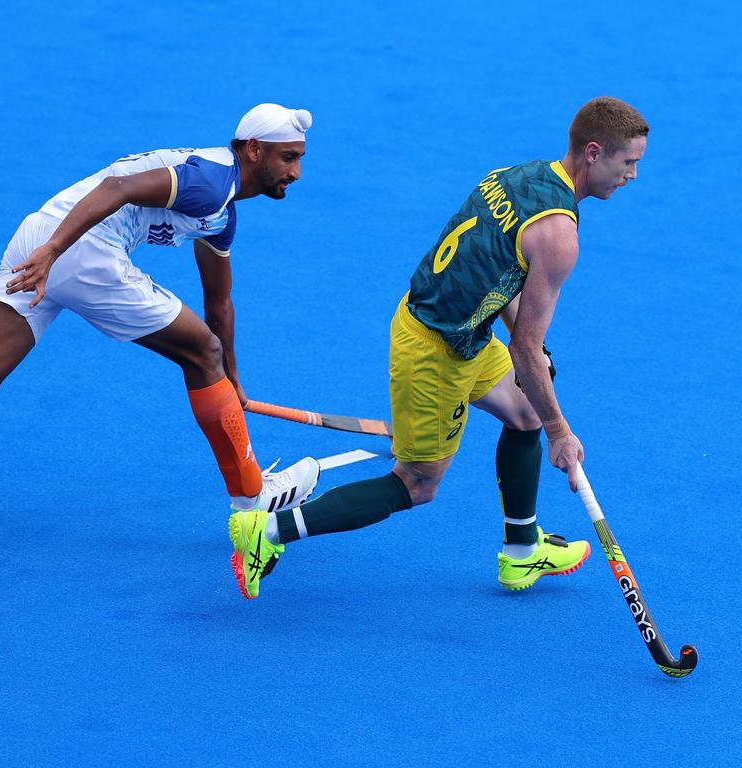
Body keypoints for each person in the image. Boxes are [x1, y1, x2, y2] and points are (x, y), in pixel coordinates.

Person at [228, 96, 649, 599]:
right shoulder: (559, 236)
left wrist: (536, 377)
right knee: (418, 484)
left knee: (525, 413)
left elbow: (505, 276)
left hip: (457, 329)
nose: (632, 175)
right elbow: (526, 348)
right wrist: (561, 431)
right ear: (594, 153)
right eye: (629, 163)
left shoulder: (519, 176)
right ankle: (267, 533)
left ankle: (521, 552)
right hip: (434, 352)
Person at [0, 103, 320, 514]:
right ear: (255, 149)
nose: (296, 172)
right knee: (202, 352)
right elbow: (119, 187)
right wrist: (54, 251)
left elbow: (219, 303)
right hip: (74, 247)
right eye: (288, 158)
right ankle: (251, 500)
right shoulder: (210, 181)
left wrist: (232, 380)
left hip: (41, 233)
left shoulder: (221, 215)